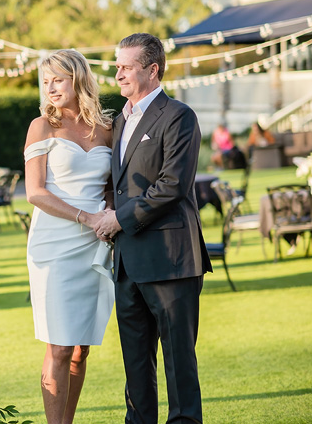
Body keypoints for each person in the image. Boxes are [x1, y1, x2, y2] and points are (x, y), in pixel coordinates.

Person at [93, 33, 212, 424]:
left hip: (170, 260)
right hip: (126, 261)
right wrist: (107, 209)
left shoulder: (179, 116)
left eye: (126, 67)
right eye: (117, 66)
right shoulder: (119, 120)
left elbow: (172, 186)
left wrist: (118, 219)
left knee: (179, 363)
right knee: (135, 364)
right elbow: (119, 182)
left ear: (152, 69)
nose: (118, 74)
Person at [23, 49, 115, 424]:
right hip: (55, 244)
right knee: (59, 347)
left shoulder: (108, 127)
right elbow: (35, 192)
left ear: (78, 79)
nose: (51, 89)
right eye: (45, 82)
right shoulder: (42, 126)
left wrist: (108, 214)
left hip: (96, 243)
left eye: (57, 80)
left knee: (81, 350)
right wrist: (86, 216)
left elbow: (113, 185)